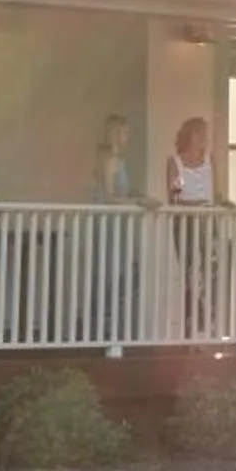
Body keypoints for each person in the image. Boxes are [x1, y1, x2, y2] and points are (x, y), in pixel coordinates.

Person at [166, 115, 217, 336]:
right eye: (200, 134)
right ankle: (192, 314)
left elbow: (219, 191)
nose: (204, 138)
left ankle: (207, 313)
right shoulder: (175, 162)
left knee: (209, 268)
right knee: (189, 269)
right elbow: (174, 197)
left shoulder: (209, 160)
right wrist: (193, 203)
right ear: (190, 136)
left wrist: (224, 203)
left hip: (207, 220)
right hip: (185, 221)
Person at [90, 114, 136, 355]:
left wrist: (138, 197)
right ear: (117, 133)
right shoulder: (110, 162)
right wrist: (137, 202)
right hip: (109, 226)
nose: (128, 137)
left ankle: (110, 332)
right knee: (110, 277)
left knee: (116, 278)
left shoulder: (119, 161)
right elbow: (109, 196)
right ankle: (106, 334)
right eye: (125, 132)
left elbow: (123, 190)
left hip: (117, 226)